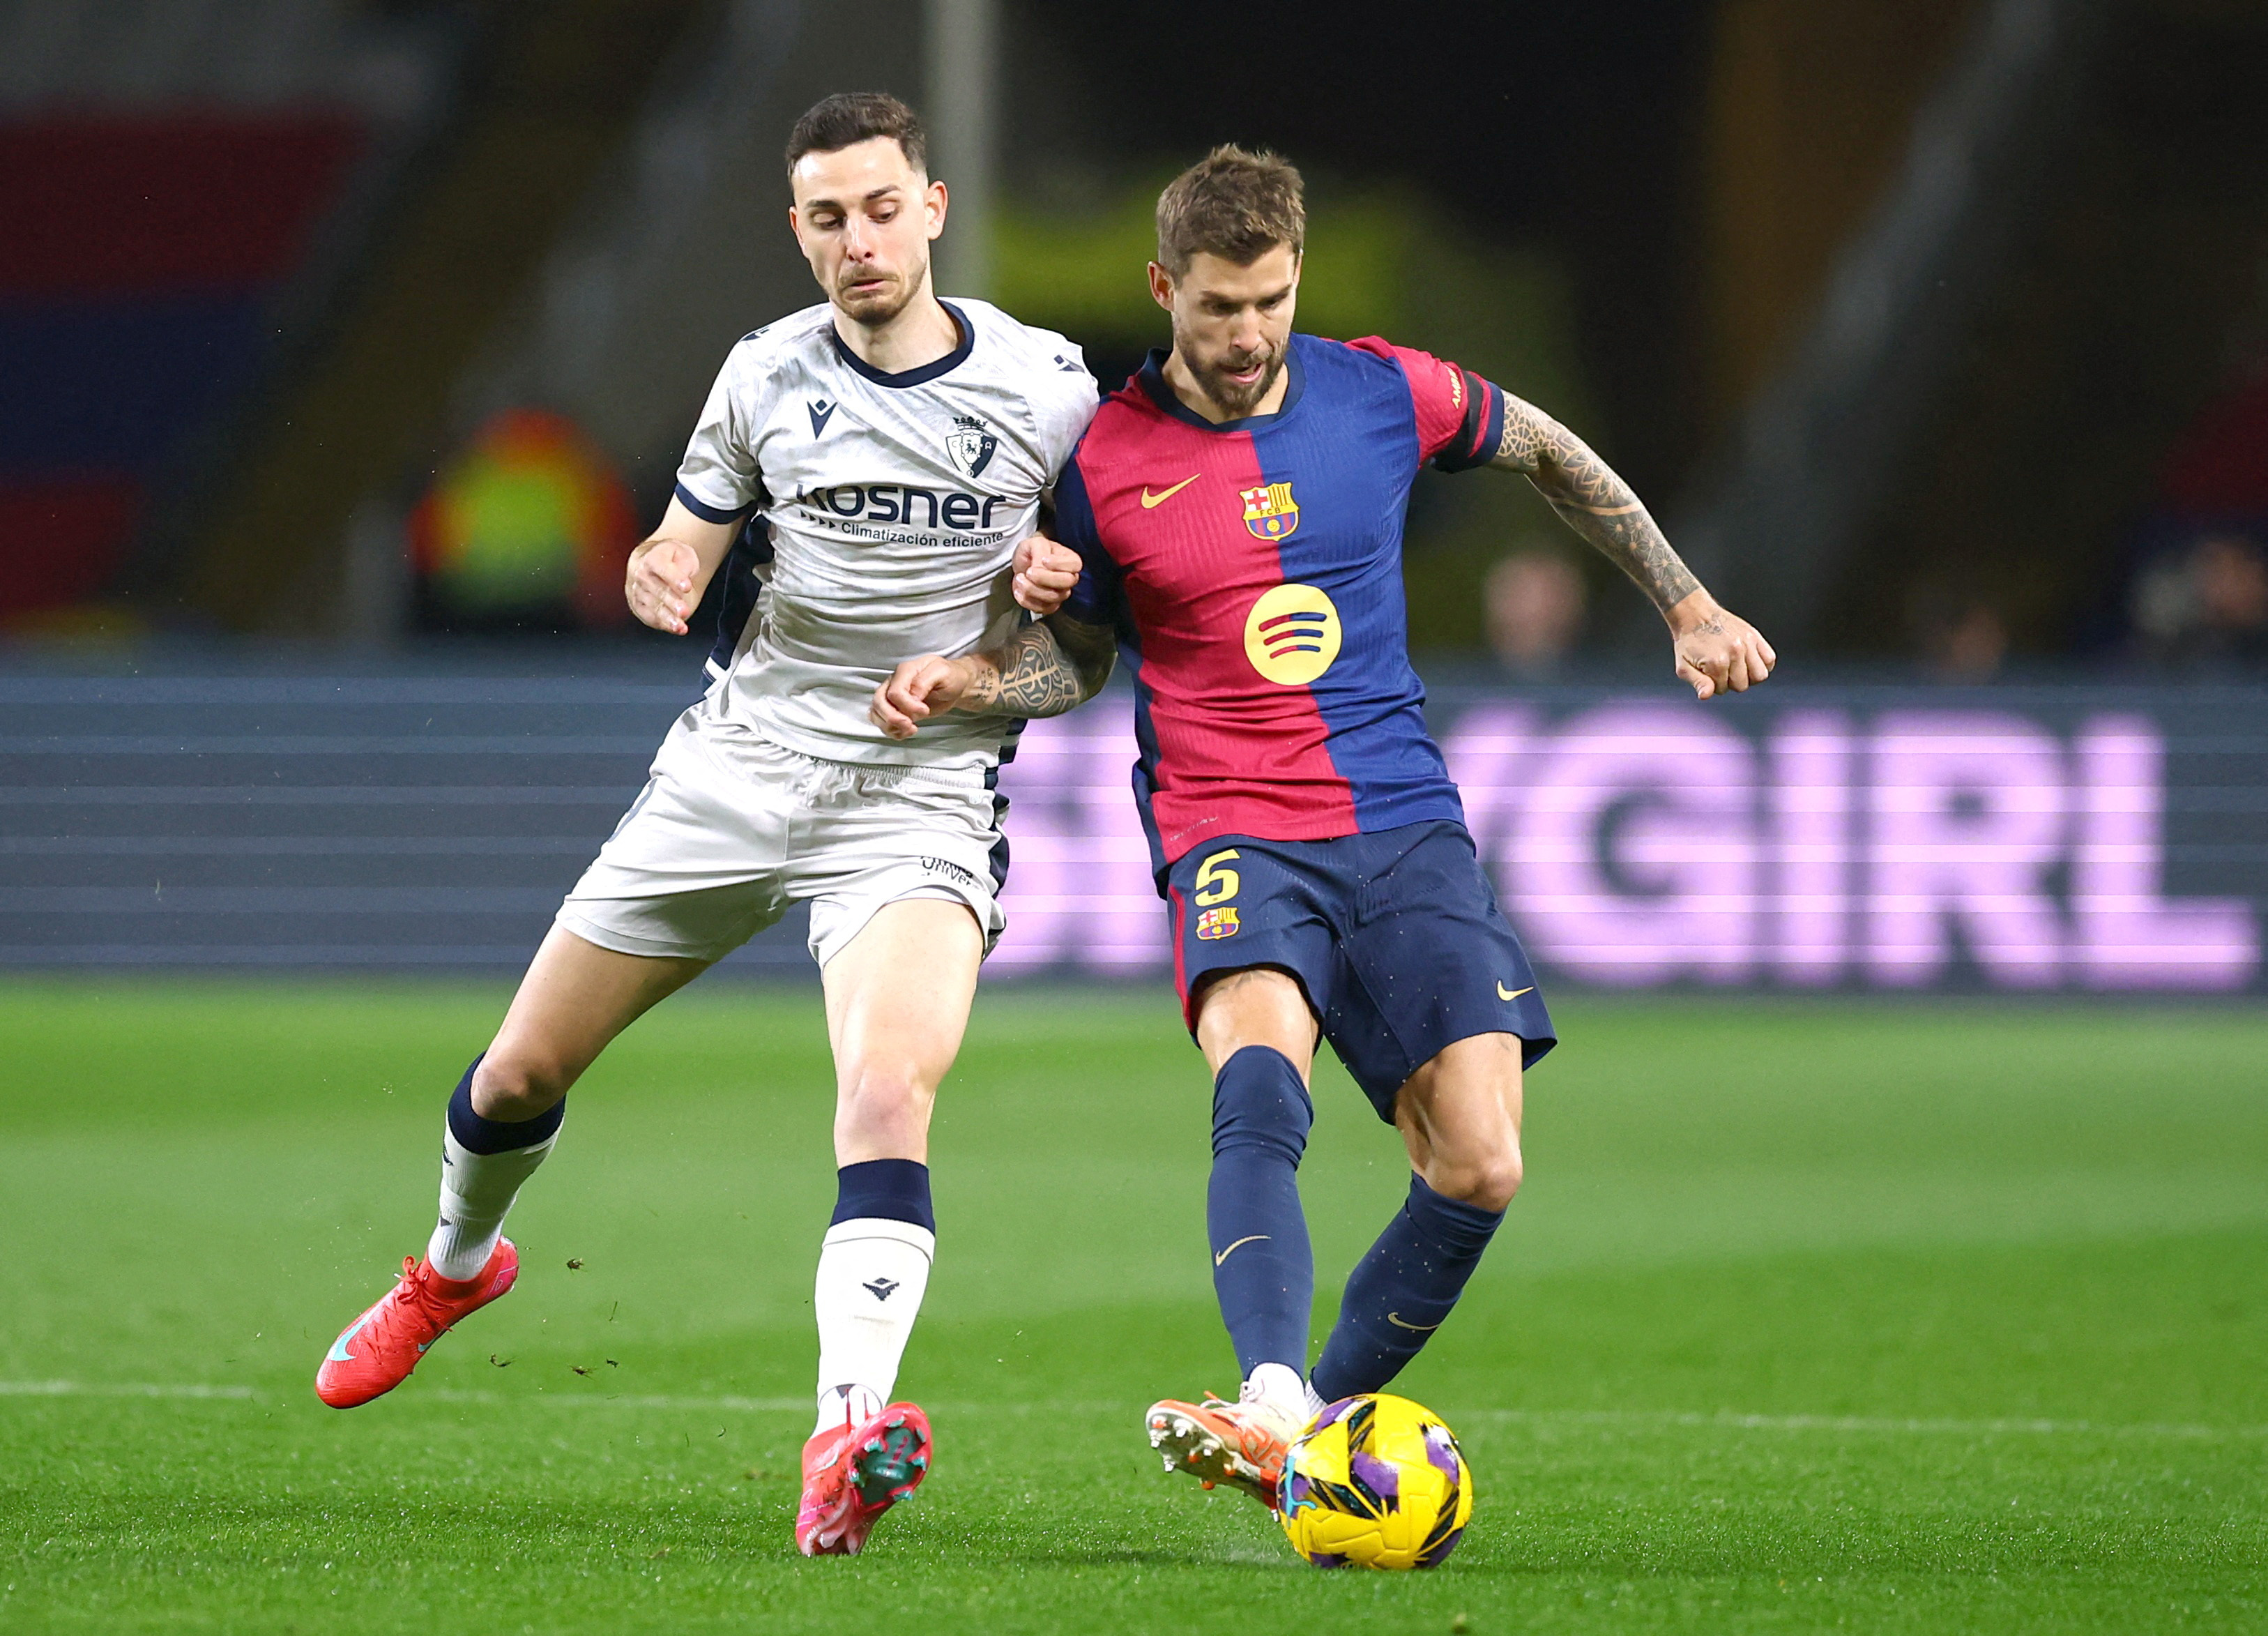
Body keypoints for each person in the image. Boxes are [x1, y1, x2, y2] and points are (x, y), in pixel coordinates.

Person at [875, 145, 1776, 1513]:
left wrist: (1686, 603)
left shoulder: (1381, 391)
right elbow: (1076, 662)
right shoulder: (1106, 460)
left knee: (1479, 1161)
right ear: (1162, 285)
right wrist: (982, 677)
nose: (1244, 338)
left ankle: (1303, 1453)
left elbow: (1545, 449)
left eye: (1270, 303)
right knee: (1259, 1071)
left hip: (1402, 819)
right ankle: (1271, 1394)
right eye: (1217, 308)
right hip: (1230, 826)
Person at [312, 91, 1104, 1560]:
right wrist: (660, 567)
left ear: (931, 207)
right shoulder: (762, 376)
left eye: (881, 207)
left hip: (917, 792)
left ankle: (843, 1435)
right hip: (737, 770)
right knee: (519, 1069)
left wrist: (990, 666)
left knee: (884, 1097)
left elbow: (1084, 661)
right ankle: (450, 1269)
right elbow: (690, 531)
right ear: (795, 230)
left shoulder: (1051, 390)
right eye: (826, 216)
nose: (857, 241)